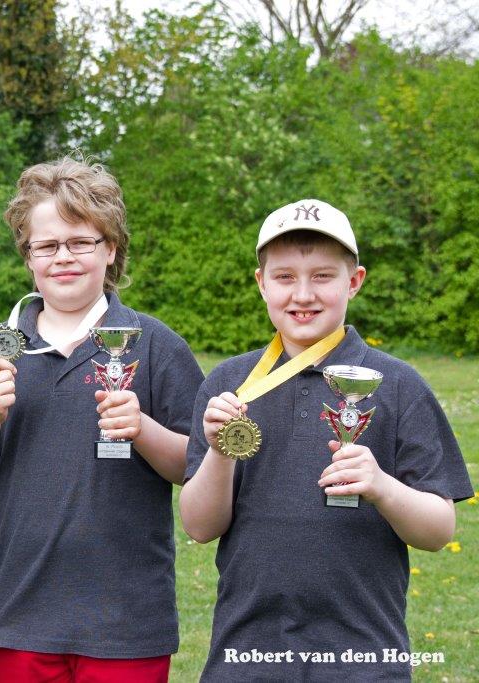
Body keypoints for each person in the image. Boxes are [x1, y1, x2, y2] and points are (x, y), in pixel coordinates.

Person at [179, 199, 474, 680]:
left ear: (354, 281)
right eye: (284, 277)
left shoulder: (399, 385)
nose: (303, 294)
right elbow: (198, 526)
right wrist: (219, 451)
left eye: (322, 276)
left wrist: (382, 486)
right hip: (247, 655)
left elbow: (439, 531)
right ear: (261, 283)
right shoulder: (228, 385)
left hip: (363, 659)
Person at [0, 156, 205, 682]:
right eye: (46, 245)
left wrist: (143, 429)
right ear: (29, 257)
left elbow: (194, 468)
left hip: (128, 620)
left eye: (81, 242)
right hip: (26, 615)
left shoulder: (156, 347)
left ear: (111, 249)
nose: (63, 257)